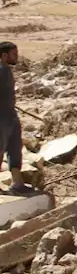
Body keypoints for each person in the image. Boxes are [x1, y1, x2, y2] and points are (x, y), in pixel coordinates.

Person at [0, 41, 31, 194]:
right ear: (4, 55)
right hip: (1, 117)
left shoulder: (7, 70)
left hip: (10, 115)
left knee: (15, 148)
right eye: (14, 54)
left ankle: (17, 183)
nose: (17, 57)